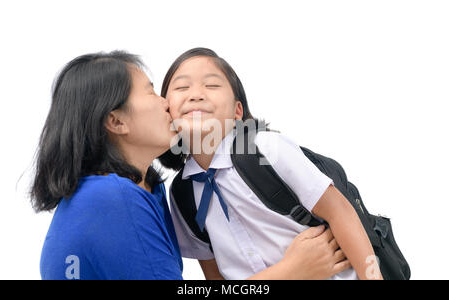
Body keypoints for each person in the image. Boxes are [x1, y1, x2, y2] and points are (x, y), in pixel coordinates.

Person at [31, 50, 351, 280]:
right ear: (116, 121)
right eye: (150, 92)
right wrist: (291, 272)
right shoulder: (112, 198)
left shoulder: (149, 188)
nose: (165, 103)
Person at [159, 48, 381, 280]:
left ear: (237, 111)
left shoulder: (266, 148)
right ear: (167, 111)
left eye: (212, 85)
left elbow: (341, 212)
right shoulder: (182, 195)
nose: (196, 94)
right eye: (182, 87)